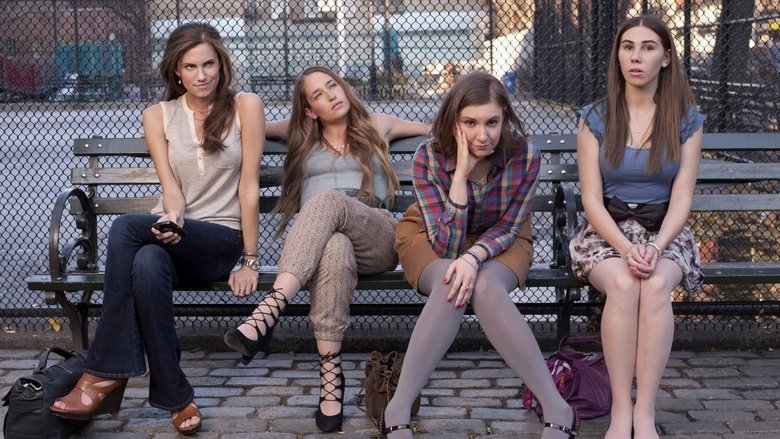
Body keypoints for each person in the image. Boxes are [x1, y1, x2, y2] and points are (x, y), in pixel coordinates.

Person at [49, 22, 265, 435]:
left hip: (219, 239)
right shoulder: (157, 115)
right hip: (173, 236)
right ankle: (177, 397)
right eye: (191, 67)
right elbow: (172, 190)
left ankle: (102, 374)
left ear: (221, 65)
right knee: (147, 263)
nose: (201, 75)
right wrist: (172, 219)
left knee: (125, 228)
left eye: (209, 64)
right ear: (176, 71)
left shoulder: (245, 106)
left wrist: (250, 261)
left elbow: (249, 186)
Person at [222, 66, 429, 433]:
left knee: (327, 200)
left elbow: (436, 129)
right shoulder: (299, 134)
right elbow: (244, 122)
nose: (331, 94)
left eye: (333, 85)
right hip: (322, 243)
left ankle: (270, 310)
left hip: (376, 233)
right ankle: (331, 379)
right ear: (309, 110)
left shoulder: (377, 124)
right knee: (334, 247)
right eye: (318, 94)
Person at [381, 70, 579, 439]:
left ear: (504, 118)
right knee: (450, 280)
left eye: (492, 122)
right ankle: (398, 407)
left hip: (503, 236)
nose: (482, 135)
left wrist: (474, 258)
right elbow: (446, 247)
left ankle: (557, 406)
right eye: (470, 123)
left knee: (485, 287)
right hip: (431, 233)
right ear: (453, 120)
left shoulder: (524, 155)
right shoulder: (428, 156)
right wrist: (460, 178)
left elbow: (509, 227)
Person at [571, 15, 705, 439]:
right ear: (618, 55)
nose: (636, 56)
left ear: (666, 58)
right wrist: (627, 250)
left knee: (656, 285)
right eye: (628, 47)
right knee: (626, 284)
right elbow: (592, 201)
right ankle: (620, 411)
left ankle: (645, 411)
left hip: (664, 231)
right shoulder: (595, 117)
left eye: (648, 47)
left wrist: (657, 247)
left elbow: (682, 199)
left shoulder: (686, 120)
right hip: (607, 231)